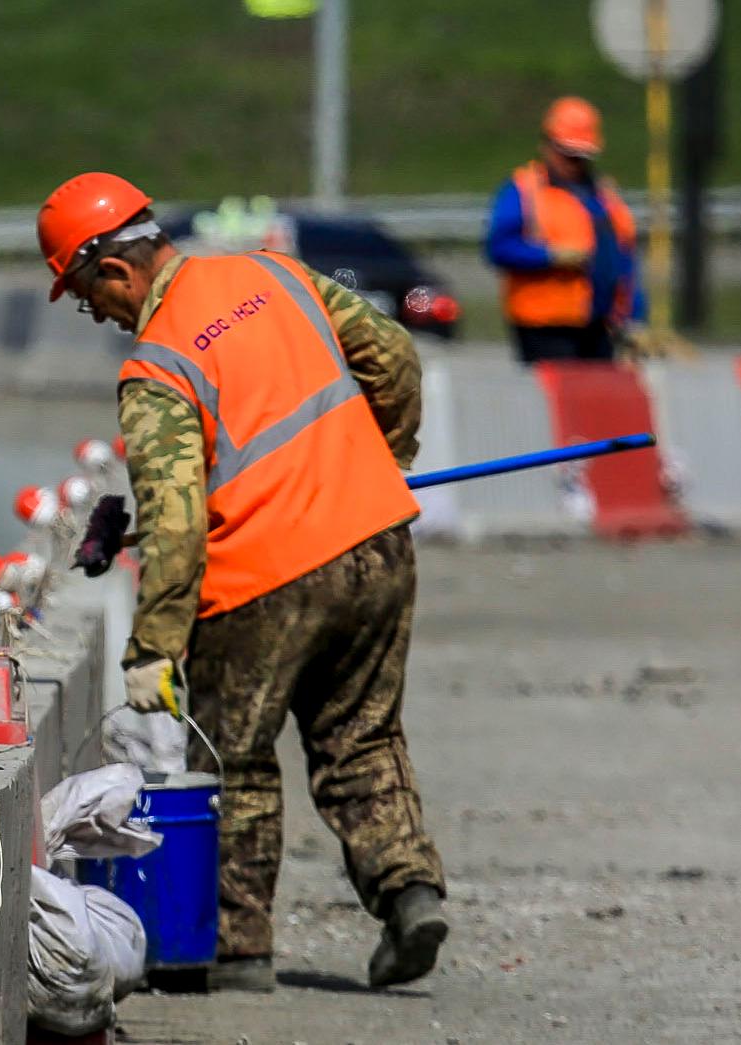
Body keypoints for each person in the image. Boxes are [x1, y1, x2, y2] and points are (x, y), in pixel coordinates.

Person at [38, 171, 445, 993]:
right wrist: (383, 458)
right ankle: (410, 892)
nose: (98, 315)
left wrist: (154, 646)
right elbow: (395, 357)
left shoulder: (157, 365)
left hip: (263, 581)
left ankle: (238, 947)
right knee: (362, 735)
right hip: (376, 545)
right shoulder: (274, 274)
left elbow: (178, 519)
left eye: (87, 298)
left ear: (115, 271)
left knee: (235, 758)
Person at [484, 96, 644, 363]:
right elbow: (499, 248)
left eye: (581, 157)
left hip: (601, 327)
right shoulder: (524, 190)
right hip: (546, 328)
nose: (574, 163)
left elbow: (624, 259)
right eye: (568, 155)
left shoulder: (604, 195)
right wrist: (551, 256)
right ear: (547, 146)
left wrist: (635, 319)